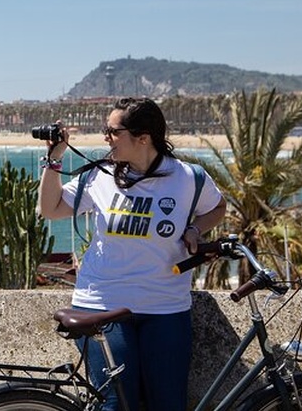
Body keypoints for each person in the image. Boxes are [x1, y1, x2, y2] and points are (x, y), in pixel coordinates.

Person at [37, 97, 226, 411]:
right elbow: (50, 208)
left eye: (113, 131)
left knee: (168, 404)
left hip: (165, 306)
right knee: (115, 404)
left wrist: (195, 229)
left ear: (143, 137)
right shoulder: (100, 176)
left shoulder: (189, 178)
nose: (105, 137)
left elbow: (217, 207)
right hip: (103, 304)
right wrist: (54, 159)